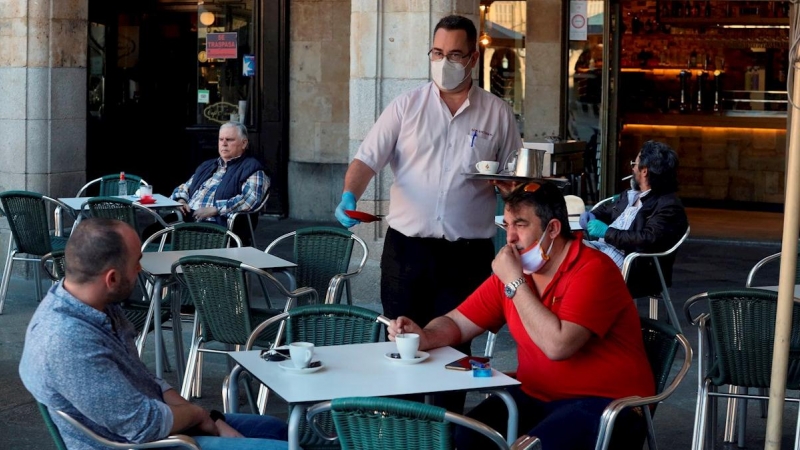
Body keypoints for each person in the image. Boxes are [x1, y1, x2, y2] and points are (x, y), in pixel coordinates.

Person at [334, 15, 522, 409]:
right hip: (407, 253)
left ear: (472, 59)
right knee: (404, 348)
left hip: (467, 256)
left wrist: (511, 193)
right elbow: (367, 159)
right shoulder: (406, 106)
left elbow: (514, 179)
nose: (444, 62)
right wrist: (350, 195)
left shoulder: (497, 114)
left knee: (453, 358)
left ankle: (445, 435)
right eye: (437, 53)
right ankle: (406, 434)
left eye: (454, 54)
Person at [388, 182, 654, 450]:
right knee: (463, 439)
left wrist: (515, 282)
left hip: (609, 404)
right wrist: (425, 336)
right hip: (535, 395)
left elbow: (558, 346)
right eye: (506, 225)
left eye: (521, 224)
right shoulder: (517, 270)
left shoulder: (592, 270)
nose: (510, 237)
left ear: (552, 228)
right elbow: (457, 321)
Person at [19, 218, 288, 450]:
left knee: (278, 430)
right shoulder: (67, 341)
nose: (140, 269)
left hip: (165, 425)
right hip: (144, 444)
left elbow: (145, 379)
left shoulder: (97, 305)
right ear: (111, 279)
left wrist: (207, 419)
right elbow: (143, 425)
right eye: (136, 263)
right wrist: (198, 415)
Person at [580, 140, 689, 298]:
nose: (632, 168)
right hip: (604, 251)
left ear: (644, 171)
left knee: (572, 264)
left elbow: (647, 238)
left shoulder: (668, 206)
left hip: (633, 265)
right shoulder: (632, 194)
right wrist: (593, 215)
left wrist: (606, 232)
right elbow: (607, 209)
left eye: (635, 163)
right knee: (564, 249)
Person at [163, 121, 269, 245]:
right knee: (151, 232)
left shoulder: (253, 169)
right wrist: (181, 200)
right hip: (187, 219)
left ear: (244, 143)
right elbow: (184, 187)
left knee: (169, 238)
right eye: (221, 139)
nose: (224, 143)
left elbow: (250, 200)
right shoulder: (207, 166)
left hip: (217, 226)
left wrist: (216, 209)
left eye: (229, 140)